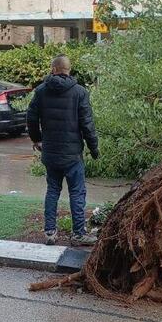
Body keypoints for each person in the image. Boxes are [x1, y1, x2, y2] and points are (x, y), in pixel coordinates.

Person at [27, 55, 100, 246]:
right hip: (73, 155)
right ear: (69, 69)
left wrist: (37, 139)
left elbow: (31, 117)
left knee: (52, 190)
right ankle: (78, 234)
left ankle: (50, 232)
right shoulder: (79, 92)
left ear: (54, 69)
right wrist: (94, 148)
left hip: (50, 153)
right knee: (77, 193)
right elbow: (87, 124)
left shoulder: (41, 91)